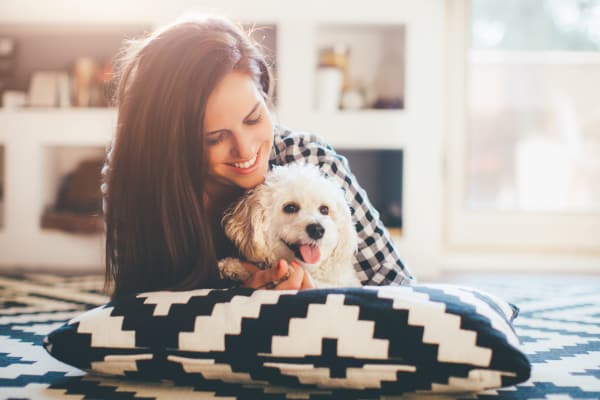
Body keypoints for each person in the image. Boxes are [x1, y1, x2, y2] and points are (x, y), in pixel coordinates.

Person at [102, 14, 414, 298]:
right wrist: (233, 299)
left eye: (253, 118)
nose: (246, 148)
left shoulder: (311, 160)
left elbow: (400, 288)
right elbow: (139, 304)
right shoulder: (137, 176)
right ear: (172, 144)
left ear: (265, 94)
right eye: (214, 138)